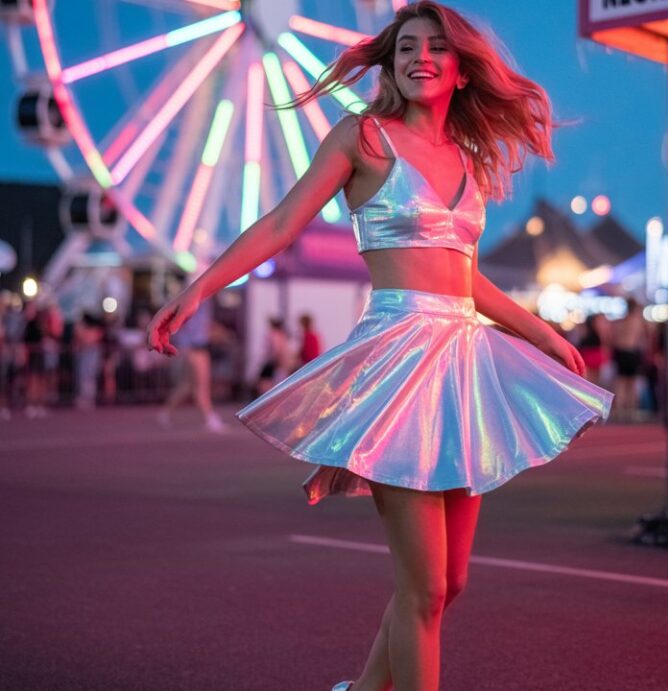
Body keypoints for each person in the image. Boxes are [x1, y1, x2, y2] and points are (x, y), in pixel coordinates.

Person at [147, 3, 613, 689]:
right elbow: (280, 222)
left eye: (435, 48)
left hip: (465, 365)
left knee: (450, 584)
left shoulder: (470, 160)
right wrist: (200, 286)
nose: (419, 58)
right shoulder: (361, 138)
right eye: (405, 50)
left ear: (460, 68)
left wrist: (539, 330)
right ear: (391, 66)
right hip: (397, 367)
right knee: (422, 590)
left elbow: (467, 277)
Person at [157, 297, 225, 432]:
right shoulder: (199, 302)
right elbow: (194, 328)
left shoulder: (196, 304)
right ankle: (209, 418)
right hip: (196, 349)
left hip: (192, 349)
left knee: (187, 385)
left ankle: (165, 413)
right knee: (201, 385)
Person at [611, 297, 647, 420]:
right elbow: (642, 338)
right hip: (631, 353)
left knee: (620, 383)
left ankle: (619, 410)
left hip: (620, 352)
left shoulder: (620, 322)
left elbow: (613, 339)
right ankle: (631, 411)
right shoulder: (637, 321)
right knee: (631, 384)